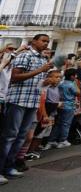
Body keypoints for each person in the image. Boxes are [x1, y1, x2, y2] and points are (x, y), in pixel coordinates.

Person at [0, 34, 52, 184]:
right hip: (18, 100)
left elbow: (37, 82)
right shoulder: (25, 56)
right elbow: (15, 77)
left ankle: (9, 167)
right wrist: (40, 70)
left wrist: (45, 81)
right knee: (10, 135)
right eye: (43, 41)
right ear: (34, 41)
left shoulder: (43, 59)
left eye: (47, 42)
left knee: (21, 136)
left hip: (32, 101)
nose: (46, 44)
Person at [46, 68, 79, 148]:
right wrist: (75, 83)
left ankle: (51, 140)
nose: (76, 77)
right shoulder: (71, 84)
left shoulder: (61, 83)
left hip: (60, 105)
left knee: (58, 123)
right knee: (66, 124)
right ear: (72, 76)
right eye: (75, 75)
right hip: (69, 105)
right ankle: (63, 140)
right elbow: (78, 92)